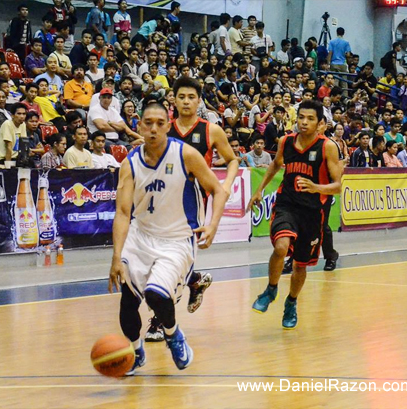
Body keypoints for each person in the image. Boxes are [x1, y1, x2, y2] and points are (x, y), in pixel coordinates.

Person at [108, 102, 228, 375]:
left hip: (176, 240)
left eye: (159, 123)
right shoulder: (130, 164)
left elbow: (218, 190)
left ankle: (174, 335)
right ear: (139, 126)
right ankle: (136, 352)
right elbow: (123, 212)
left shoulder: (185, 154)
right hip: (140, 237)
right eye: (147, 123)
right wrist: (116, 256)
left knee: (155, 295)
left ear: (168, 124)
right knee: (127, 302)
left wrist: (212, 224)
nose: (153, 129)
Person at [138, 77, 238, 342]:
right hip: (159, 199)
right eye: (181, 96)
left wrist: (226, 184)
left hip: (190, 201)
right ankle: (194, 280)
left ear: (198, 100)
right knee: (151, 261)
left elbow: (232, 159)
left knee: (170, 264)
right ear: (173, 99)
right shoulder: (163, 128)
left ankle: (159, 322)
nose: (185, 101)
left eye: (191, 97)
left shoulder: (211, 130)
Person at [247, 100, 342, 329]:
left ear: (320, 123)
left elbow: (338, 186)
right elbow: (275, 165)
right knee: (280, 247)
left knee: (300, 264)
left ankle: (291, 302)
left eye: (310, 119)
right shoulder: (286, 141)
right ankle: (271, 289)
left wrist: (316, 187)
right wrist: (259, 190)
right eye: (301, 117)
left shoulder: (327, 146)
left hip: (312, 212)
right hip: (286, 204)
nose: (304, 122)